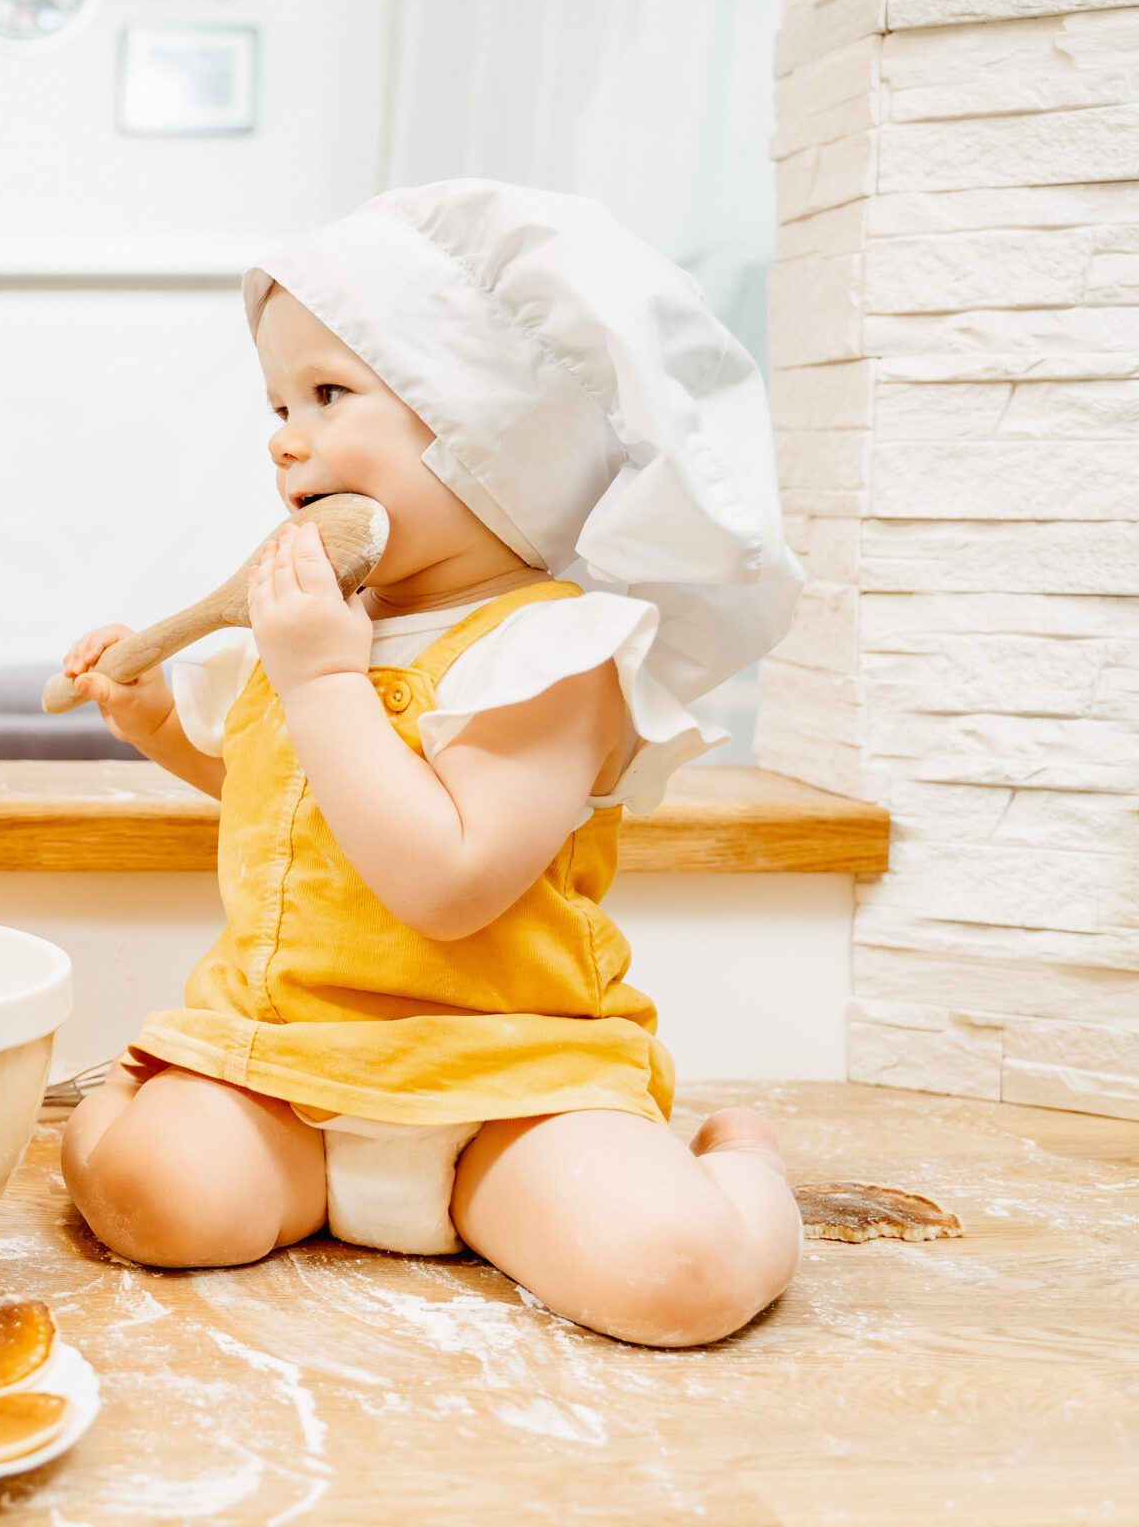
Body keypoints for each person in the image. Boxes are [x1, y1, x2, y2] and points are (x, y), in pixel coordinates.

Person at [56, 180, 806, 1348]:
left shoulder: (552, 652)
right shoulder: (329, 629)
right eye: (277, 402)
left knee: (676, 1280)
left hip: (512, 1081)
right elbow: (299, 807)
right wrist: (161, 722)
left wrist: (317, 680)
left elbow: (446, 879)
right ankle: (126, 1092)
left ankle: (738, 1165)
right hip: (285, 1061)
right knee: (159, 1199)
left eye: (329, 392)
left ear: (488, 430)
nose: (283, 434)